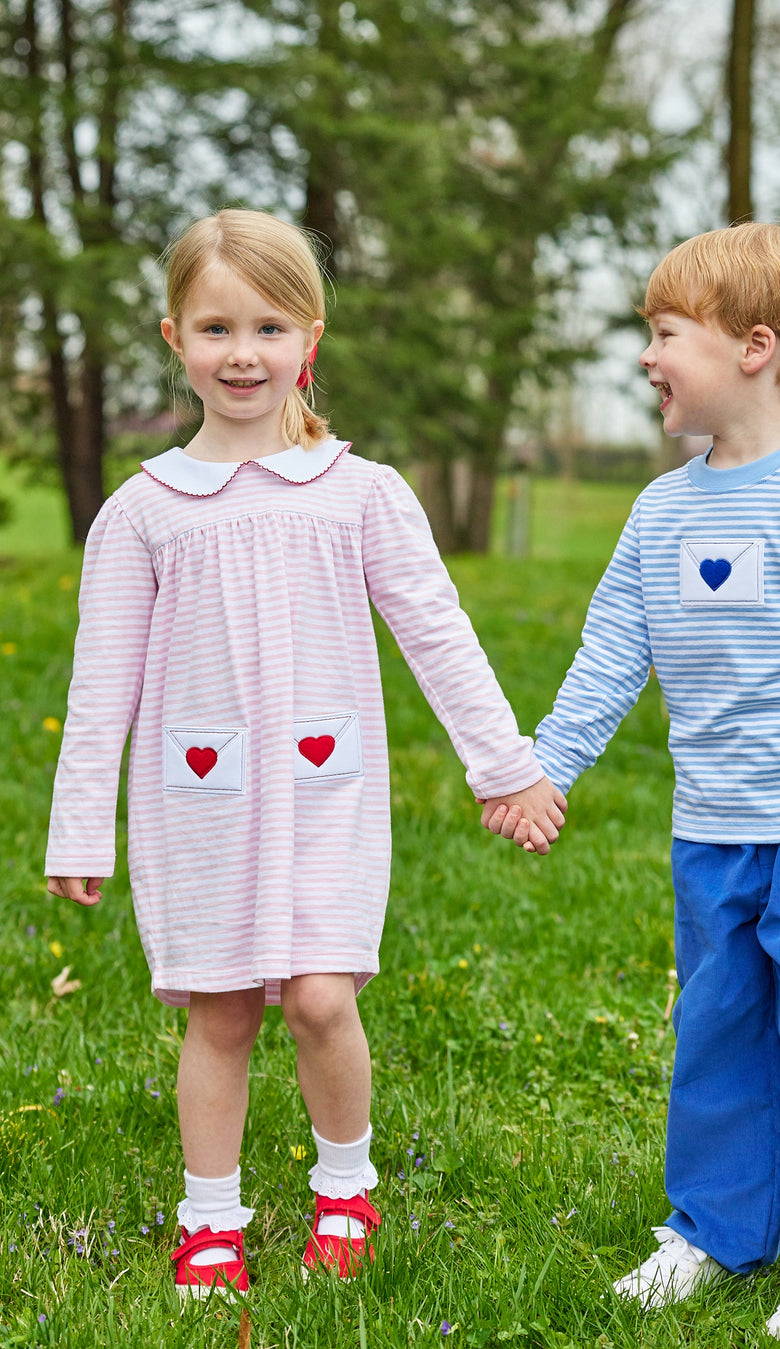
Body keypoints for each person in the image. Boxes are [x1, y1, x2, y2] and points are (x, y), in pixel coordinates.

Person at [45, 207, 567, 1300]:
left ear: (311, 338)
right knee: (221, 1008)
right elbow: (101, 688)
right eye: (217, 327)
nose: (244, 353)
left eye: (270, 327)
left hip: (327, 793)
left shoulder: (363, 492)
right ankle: (210, 1217)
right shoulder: (142, 514)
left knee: (326, 996)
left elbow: (437, 631)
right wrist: (80, 821)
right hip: (200, 804)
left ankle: (346, 1186)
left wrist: (505, 764)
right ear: (173, 337)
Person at [481, 222, 780, 1344]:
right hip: (713, 828)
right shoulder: (663, 508)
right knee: (717, 1022)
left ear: (754, 347)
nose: (648, 357)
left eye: (666, 334)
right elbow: (615, 643)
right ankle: (717, 1229)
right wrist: (545, 764)